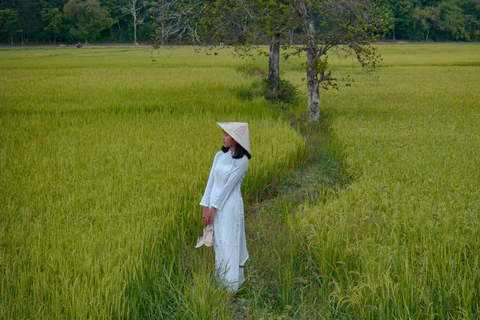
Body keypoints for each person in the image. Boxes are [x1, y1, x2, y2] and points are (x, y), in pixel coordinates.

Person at [200, 122, 252, 292]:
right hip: (215, 206)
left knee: (229, 242)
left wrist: (214, 208)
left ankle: (231, 289)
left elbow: (227, 187)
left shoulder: (242, 161)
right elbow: (211, 183)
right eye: (223, 134)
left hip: (230, 207)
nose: (223, 137)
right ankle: (220, 284)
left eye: (226, 134)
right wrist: (205, 207)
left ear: (236, 139)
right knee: (218, 243)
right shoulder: (218, 156)